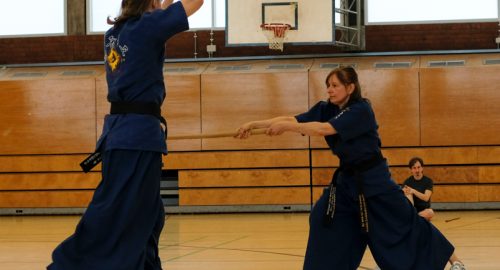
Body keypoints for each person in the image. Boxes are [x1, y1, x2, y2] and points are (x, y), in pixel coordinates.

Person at [235, 66, 467, 270]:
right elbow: (295, 119)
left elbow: (324, 129)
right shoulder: (327, 107)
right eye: (328, 85)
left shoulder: (361, 109)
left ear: (350, 87)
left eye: (335, 85)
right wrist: (254, 124)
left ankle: (455, 262)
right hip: (347, 182)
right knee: (322, 216)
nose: (329, 89)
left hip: (374, 180)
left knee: (406, 221)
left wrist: (285, 127)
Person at [47, 0, 203, 269]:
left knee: (148, 213)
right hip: (137, 137)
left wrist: (162, 8)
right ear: (152, 3)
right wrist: (164, 9)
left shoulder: (113, 34)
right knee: (119, 212)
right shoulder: (147, 27)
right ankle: (70, 263)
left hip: (120, 134)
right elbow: (195, 3)